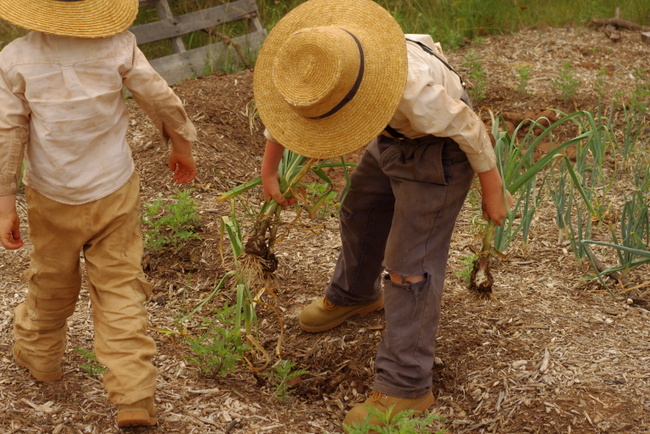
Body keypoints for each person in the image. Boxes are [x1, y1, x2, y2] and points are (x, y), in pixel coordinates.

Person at [253, 0, 512, 430]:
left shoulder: (414, 91)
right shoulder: (322, 57)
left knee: (410, 266)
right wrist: (269, 166)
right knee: (361, 208)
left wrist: (492, 187)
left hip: (438, 148)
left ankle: (407, 385)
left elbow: (467, 126)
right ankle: (355, 295)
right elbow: (287, 108)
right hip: (391, 133)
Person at [0, 0, 197, 427]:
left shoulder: (15, 59)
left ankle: (41, 357)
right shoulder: (117, 46)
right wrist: (180, 139)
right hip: (113, 190)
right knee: (121, 288)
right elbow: (155, 92)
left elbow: (9, 132)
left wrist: (4, 202)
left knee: (51, 279)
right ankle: (134, 395)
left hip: (52, 196)